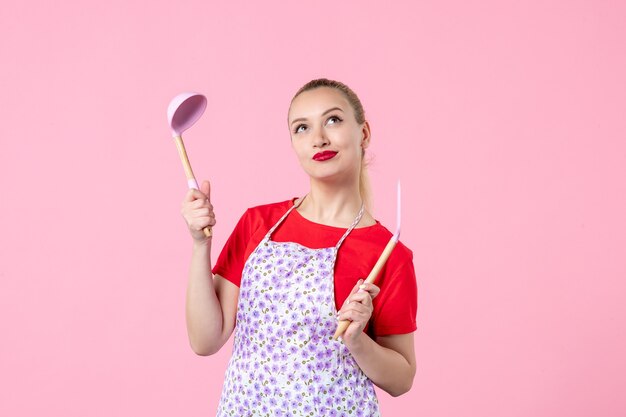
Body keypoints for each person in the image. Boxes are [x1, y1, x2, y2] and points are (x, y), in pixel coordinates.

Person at [181, 78, 417, 416]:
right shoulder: (257, 224)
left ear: (363, 133)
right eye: (302, 127)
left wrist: (357, 341)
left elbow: (402, 378)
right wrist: (199, 245)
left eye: (333, 120)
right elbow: (205, 340)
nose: (318, 138)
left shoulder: (388, 253)